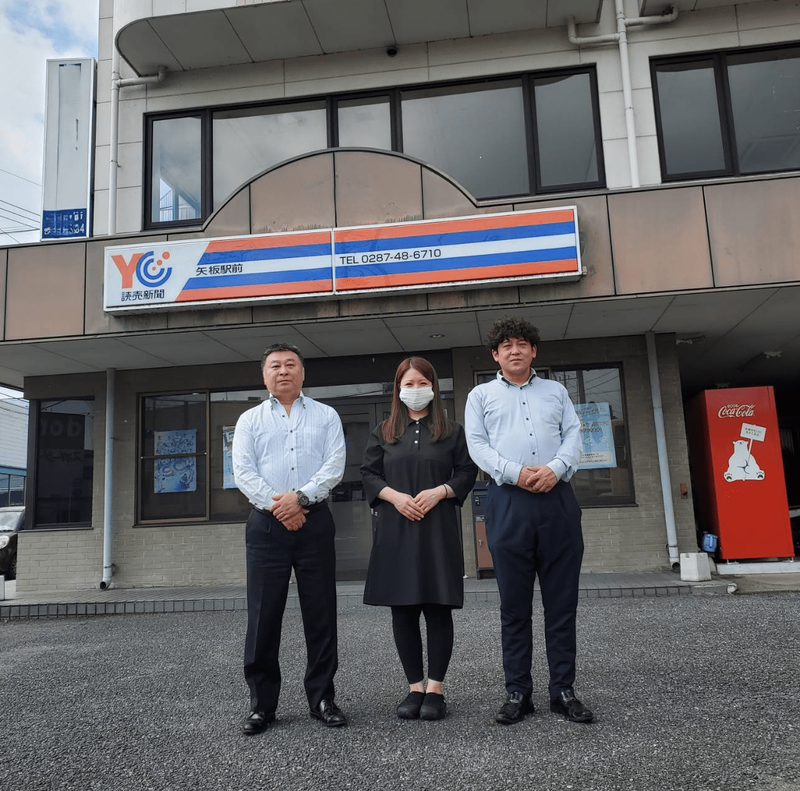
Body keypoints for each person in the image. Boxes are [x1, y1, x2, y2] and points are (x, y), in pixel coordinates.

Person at [464, 318, 594, 725]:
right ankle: (517, 691)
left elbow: (574, 434)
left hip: (557, 500)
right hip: (508, 502)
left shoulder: (556, 391)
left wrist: (555, 468)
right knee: (514, 607)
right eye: (507, 346)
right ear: (495, 355)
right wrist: (515, 472)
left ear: (534, 351)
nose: (515, 350)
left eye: (523, 344)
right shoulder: (480, 395)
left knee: (561, 604)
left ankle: (563, 690)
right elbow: (477, 446)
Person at [232, 342, 347, 735]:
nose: (283, 371)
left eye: (291, 365)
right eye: (275, 366)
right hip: (265, 527)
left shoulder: (327, 415)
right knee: (263, 616)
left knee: (321, 614)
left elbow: (335, 465)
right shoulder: (249, 420)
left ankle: (323, 698)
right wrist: (279, 506)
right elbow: (243, 472)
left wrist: (299, 500)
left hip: (314, 522)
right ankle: (262, 705)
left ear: (303, 373)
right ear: (264, 376)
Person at [360, 356, 478, 721]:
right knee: (404, 609)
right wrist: (394, 497)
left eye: (421, 383)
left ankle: (436, 688)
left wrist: (441, 491)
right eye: (407, 384)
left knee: (438, 607)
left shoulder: (452, 431)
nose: (415, 390)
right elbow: (368, 473)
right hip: (396, 528)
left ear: (433, 387)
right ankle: (414, 686)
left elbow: (467, 470)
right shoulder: (384, 431)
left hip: (438, 527)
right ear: (398, 389)